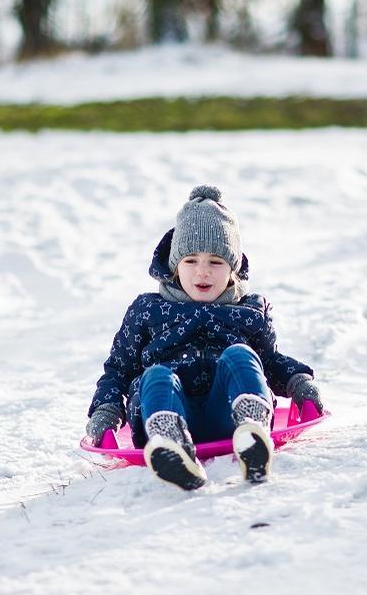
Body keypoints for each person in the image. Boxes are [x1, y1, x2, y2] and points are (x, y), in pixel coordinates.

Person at [85, 185, 323, 490]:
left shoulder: (249, 310)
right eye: (191, 261)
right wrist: (106, 410)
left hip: (226, 411)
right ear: (174, 266)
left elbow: (270, 362)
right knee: (155, 374)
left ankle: (252, 428)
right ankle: (170, 445)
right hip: (162, 408)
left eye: (215, 262)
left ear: (233, 269)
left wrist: (299, 382)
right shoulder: (148, 309)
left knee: (241, 355)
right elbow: (119, 369)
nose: (203, 272)